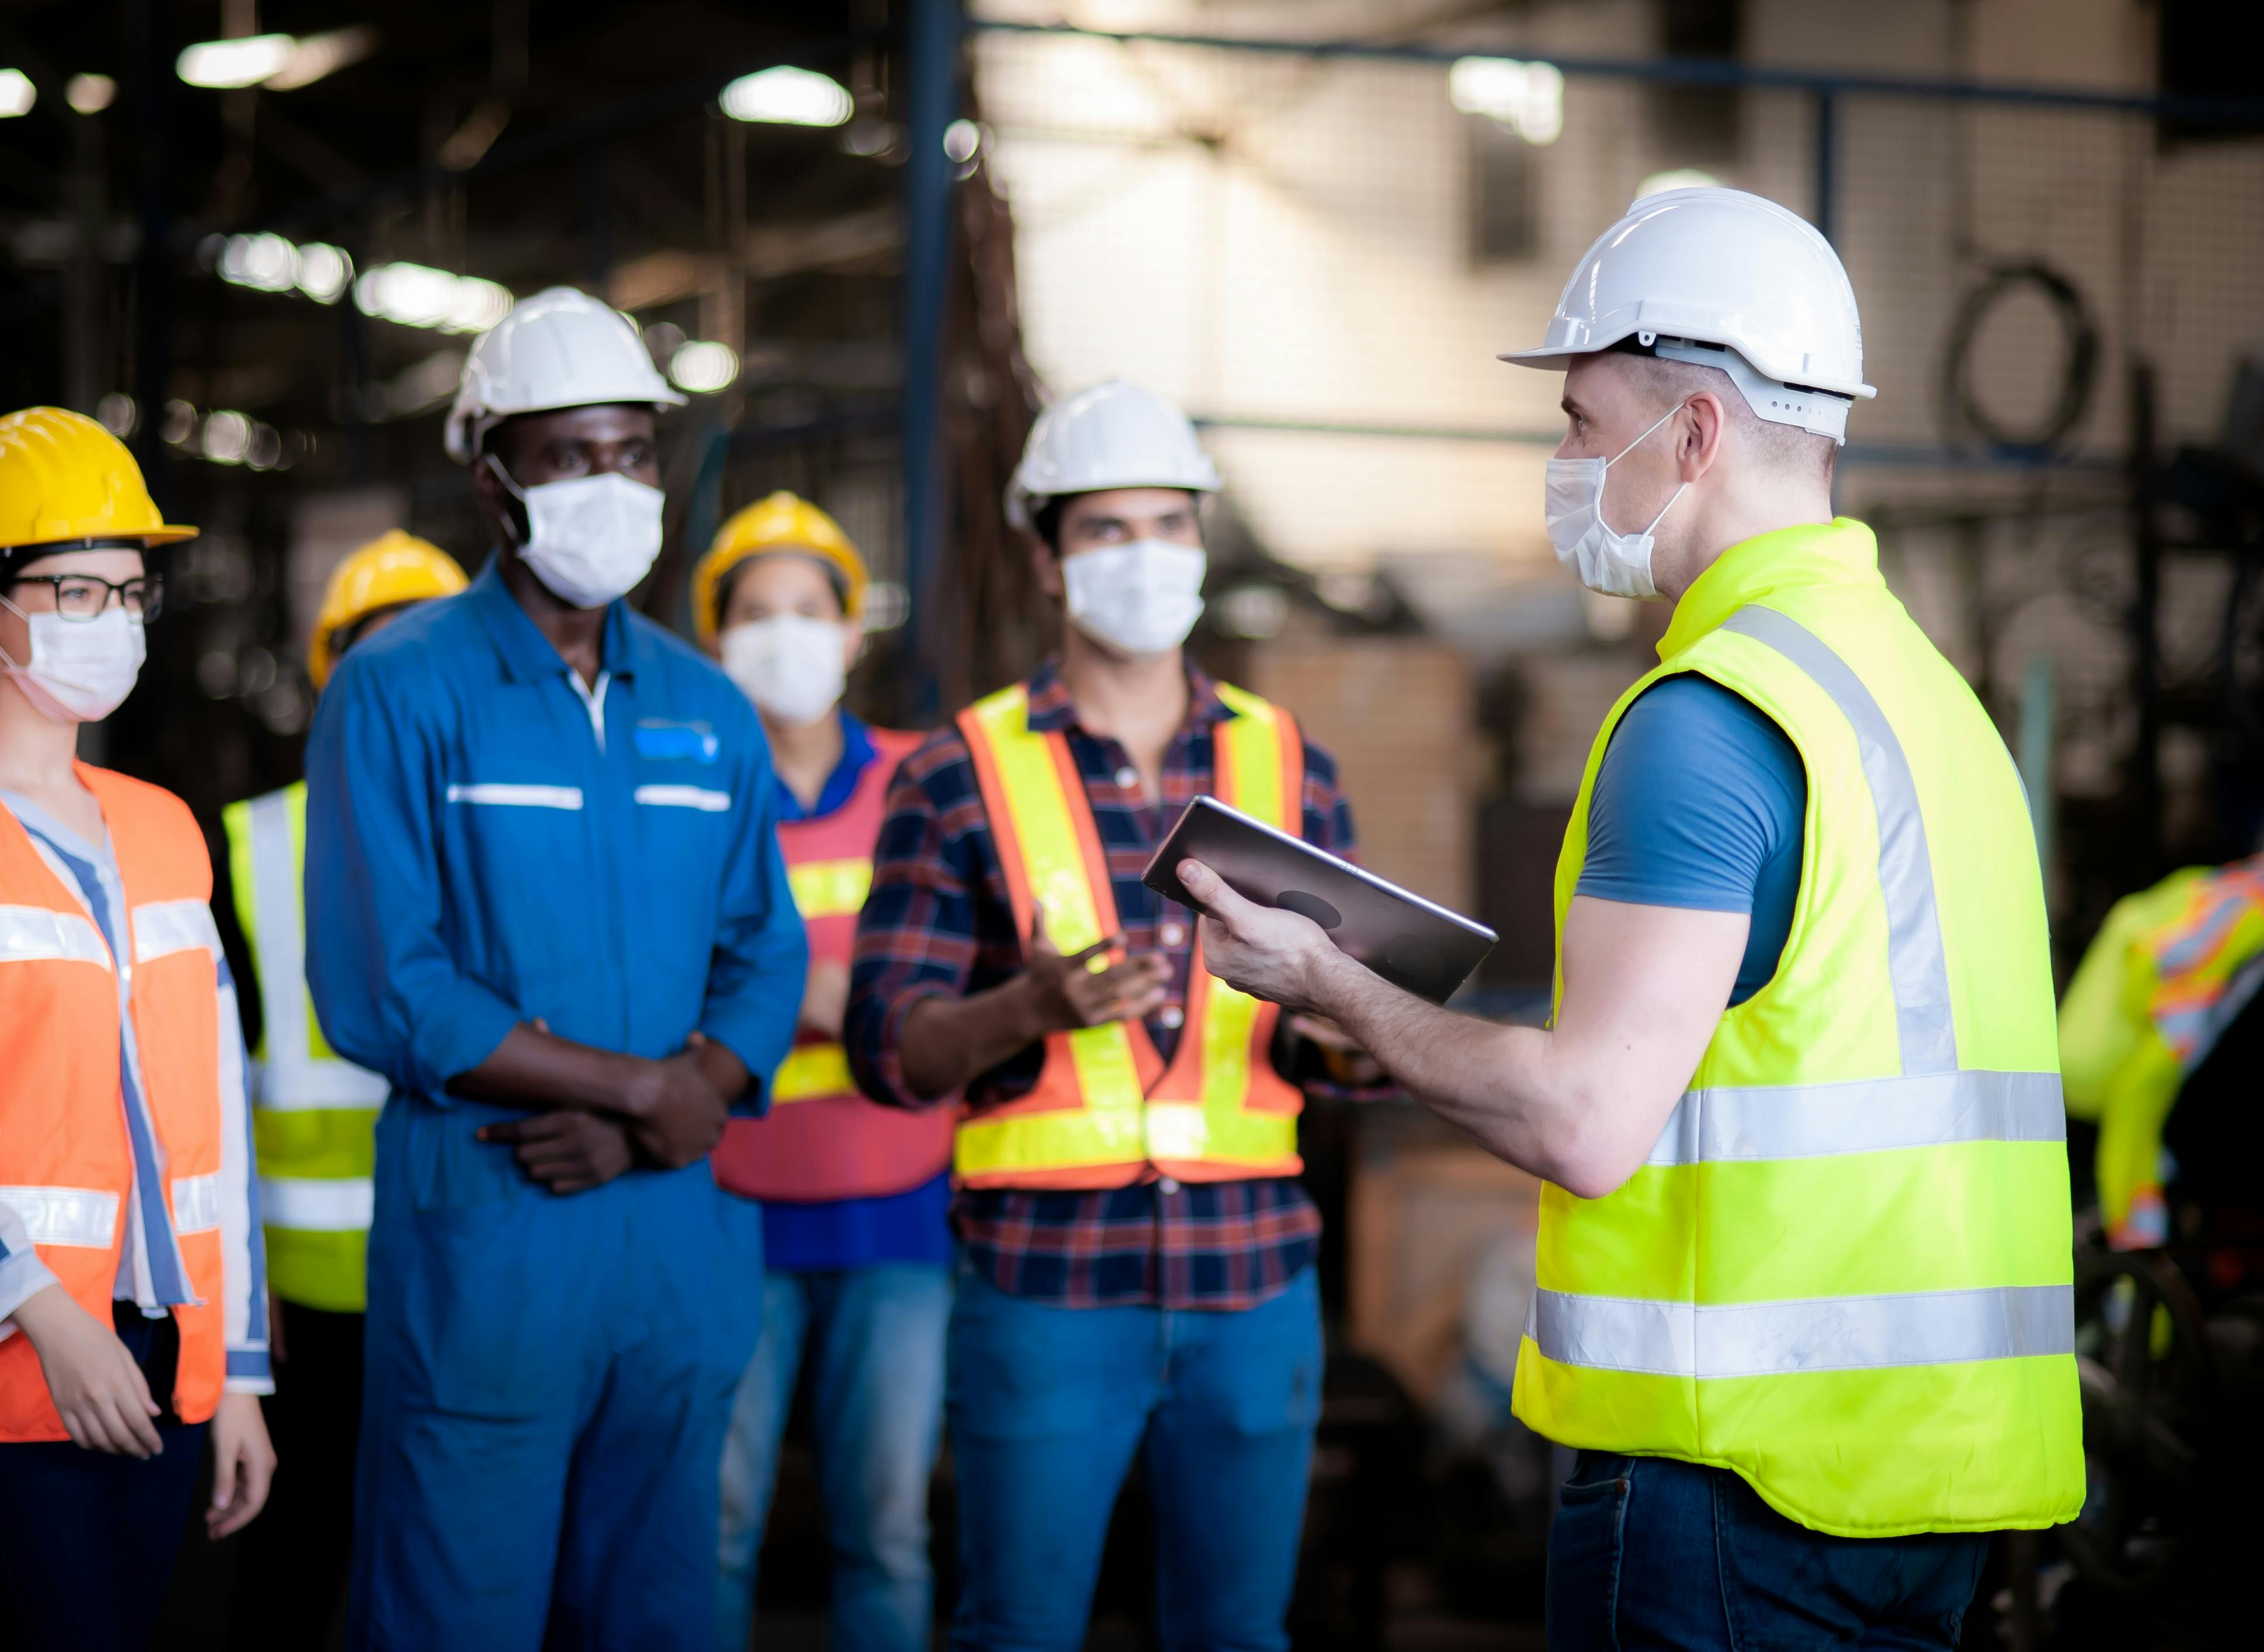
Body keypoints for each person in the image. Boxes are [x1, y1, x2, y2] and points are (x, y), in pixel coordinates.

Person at [1174, 189, 2083, 1650]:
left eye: (1584, 423)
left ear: (1700, 432)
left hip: (1739, 1489)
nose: (1563, 462)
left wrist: (1329, 982)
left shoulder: (1711, 715)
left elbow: (1586, 1118)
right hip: (1944, 1483)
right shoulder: (1932, 702)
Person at [307, 287, 804, 1648]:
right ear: (492, 478)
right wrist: (653, 1093)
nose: (612, 483)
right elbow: (386, 983)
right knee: (458, 1612)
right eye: (571, 454)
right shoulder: (399, 690)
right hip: (494, 1229)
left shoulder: (707, 708)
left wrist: (679, 1095)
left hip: (672, 1243)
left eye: (633, 452)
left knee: (656, 1612)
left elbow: (768, 943)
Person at [845, 380, 1363, 1651]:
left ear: (1202, 542)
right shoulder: (955, 771)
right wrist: (1028, 1003)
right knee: (1017, 1631)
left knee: (1237, 1638)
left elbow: (1335, 1043)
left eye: (1169, 526)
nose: (1144, 557)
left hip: (1253, 1289)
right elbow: (889, 1050)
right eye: (1105, 531)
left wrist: (1360, 1027)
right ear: (1044, 557)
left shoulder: (1289, 764)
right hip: (1043, 1290)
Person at [0, 407, 276, 1647]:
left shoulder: (166, 826)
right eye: (74, 588)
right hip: (1, 1361)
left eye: (130, 591)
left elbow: (215, 1118)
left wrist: (236, 1371)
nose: (111, 619)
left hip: (166, 1357)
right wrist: (51, 1320)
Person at [698, 494, 950, 1652]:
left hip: (901, 1216)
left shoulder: (924, 781)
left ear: (855, 635)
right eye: (756, 613)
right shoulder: (683, 799)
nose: (784, 634)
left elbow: (959, 983)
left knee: (887, 1530)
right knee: (713, 1525)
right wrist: (825, 1000)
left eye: (809, 609)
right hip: (724, 1214)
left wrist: (796, 994)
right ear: (716, 641)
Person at [221, 530, 467, 1645]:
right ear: (335, 676)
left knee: (448, 1553)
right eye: (378, 652)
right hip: (305, 1294)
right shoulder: (249, 843)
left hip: (477, 1261)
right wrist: (238, 1278)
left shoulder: (511, 827)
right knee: (299, 1553)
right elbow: (205, 1089)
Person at [2059, 854, 2264, 1248]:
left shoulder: (2229, 892)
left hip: (2158, 1066)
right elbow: (2161, 975)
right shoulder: (2242, 908)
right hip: (2153, 1065)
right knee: (2134, 1205)